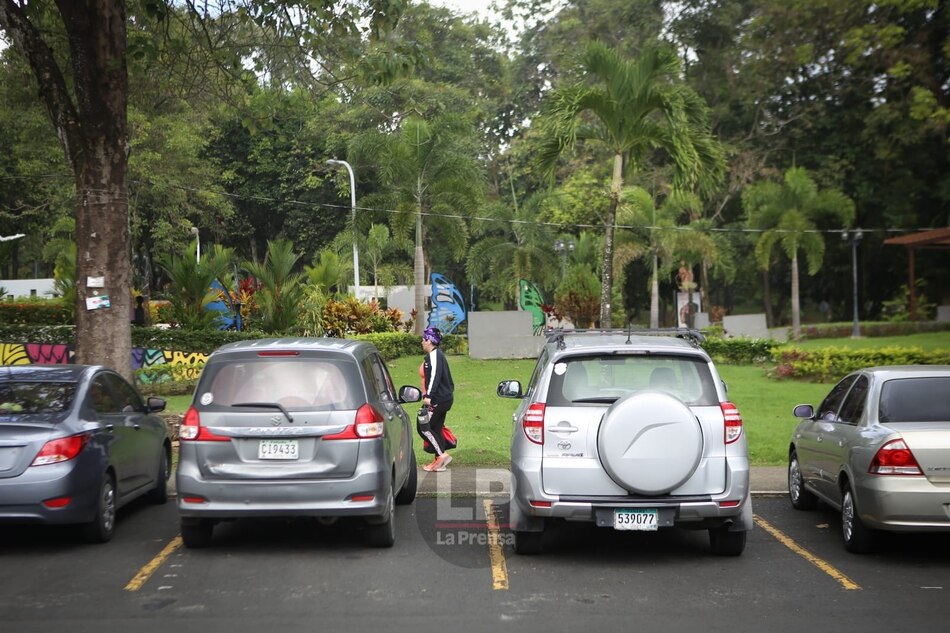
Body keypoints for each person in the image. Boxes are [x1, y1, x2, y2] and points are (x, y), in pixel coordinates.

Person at [419, 327, 455, 472]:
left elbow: (435, 377)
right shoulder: (436, 355)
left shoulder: (435, 355)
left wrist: (429, 396)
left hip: (438, 399)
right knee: (435, 429)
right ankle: (438, 463)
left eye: (423, 339)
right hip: (443, 398)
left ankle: (441, 455)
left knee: (423, 427)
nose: (422, 342)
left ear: (429, 341)